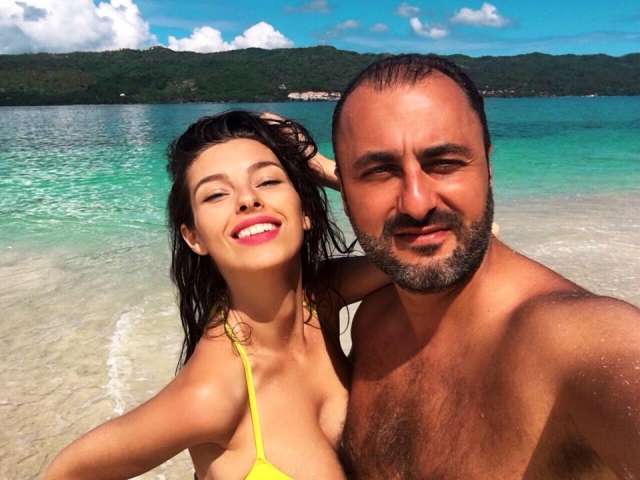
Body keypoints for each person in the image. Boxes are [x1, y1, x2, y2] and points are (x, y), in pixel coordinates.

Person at [332, 54, 640, 478]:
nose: (417, 204)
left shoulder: (574, 344)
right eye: (379, 172)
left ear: (489, 168)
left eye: (444, 163)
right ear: (344, 191)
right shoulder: (372, 322)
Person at [44, 111, 388, 479]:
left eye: (268, 180)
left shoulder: (321, 299)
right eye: (216, 194)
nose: (247, 199)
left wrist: (324, 167)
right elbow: (67, 472)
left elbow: (417, 256)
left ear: (305, 211)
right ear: (194, 237)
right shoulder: (212, 393)